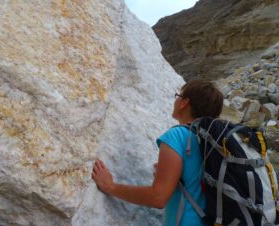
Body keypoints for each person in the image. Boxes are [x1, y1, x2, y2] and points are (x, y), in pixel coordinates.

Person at [92, 79, 223, 226]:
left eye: (178, 96)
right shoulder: (215, 143)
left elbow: (158, 198)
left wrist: (111, 187)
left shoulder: (178, 135)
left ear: (184, 102)